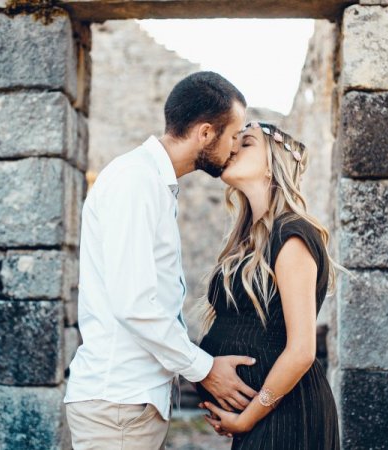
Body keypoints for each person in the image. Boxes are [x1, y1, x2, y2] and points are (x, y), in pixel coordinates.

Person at [63, 72, 259, 449]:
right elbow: (134, 304)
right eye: (233, 136)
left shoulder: (153, 183)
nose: (235, 148)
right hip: (118, 404)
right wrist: (204, 370)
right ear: (205, 133)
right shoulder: (135, 182)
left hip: (128, 404)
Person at [195, 121, 353, 449]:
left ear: (273, 164)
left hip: (288, 416)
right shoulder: (244, 243)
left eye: (247, 142)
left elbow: (301, 352)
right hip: (263, 419)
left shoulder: (292, 235)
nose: (233, 147)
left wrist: (247, 417)